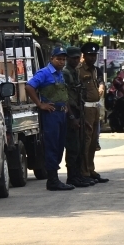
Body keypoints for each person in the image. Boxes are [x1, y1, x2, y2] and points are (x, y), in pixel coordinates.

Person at [25, 47, 75, 191]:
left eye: (63, 59)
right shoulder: (44, 73)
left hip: (60, 114)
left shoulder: (59, 74)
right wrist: (40, 104)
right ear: (51, 59)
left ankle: (55, 177)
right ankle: (52, 180)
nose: (61, 62)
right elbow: (29, 87)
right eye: (58, 59)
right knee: (52, 146)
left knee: (59, 146)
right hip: (50, 115)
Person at [78, 42, 108, 183]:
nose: (93, 58)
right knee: (86, 140)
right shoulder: (79, 70)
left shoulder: (96, 70)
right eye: (90, 55)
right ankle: (83, 171)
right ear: (83, 55)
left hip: (96, 108)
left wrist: (102, 86)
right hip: (85, 108)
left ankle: (90, 169)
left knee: (94, 141)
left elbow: (101, 82)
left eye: (94, 55)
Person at [62, 47, 93, 187]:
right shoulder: (66, 73)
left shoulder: (74, 71)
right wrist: (72, 117)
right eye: (73, 58)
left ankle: (78, 175)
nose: (75, 60)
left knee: (80, 146)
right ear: (67, 58)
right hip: (71, 112)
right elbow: (66, 97)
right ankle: (72, 177)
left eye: (77, 57)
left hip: (78, 110)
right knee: (73, 147)